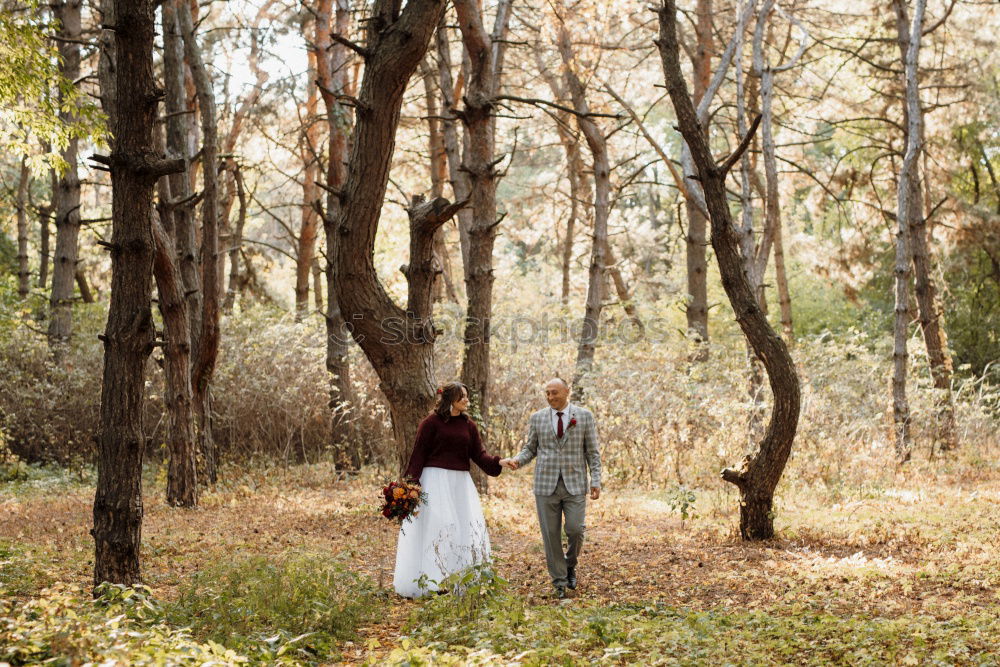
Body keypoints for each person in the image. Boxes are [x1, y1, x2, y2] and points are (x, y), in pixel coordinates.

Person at [393, 382, 505, 598]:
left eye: (466, 396)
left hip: (460, 484)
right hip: (435, 480)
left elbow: (480, 456)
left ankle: (458, 580)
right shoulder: (430, 423)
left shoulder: (468, 426)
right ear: (450, 399)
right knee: (439, 527)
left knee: (461, 528)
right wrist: (409, 488)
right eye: (462, 396)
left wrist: (500, 462)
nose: (466, 399)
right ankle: (433, 582)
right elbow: (418, 455)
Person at [501, 378, 602, 599]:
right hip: (545, 485)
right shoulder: (537, 418)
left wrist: (596, 480)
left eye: (554, 392)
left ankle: (570, 565)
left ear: (567, 391)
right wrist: (518, 460)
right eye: (546, 393)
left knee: (575, 529)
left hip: (575, 484)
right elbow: (530, 448)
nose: (550, 397)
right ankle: (559, 581)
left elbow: (592, 452)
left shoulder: (584, 416)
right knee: (550, 535)